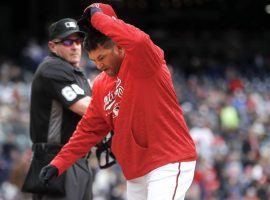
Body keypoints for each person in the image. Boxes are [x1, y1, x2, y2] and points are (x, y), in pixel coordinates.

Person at [39, 3, 197, 200]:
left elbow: (138, 40)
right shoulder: (101, 84)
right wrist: (58, 164)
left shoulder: (143, 61)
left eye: (102, 57)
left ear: (119, 47)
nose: (99, 65)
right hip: (136, 172)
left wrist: (98, 17)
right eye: (94, 60)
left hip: (168, 161)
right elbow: (88, 129)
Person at [25, 18, 93, 200]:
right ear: (53, 46)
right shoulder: (52, 68)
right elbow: (88, 109)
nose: (75, 46)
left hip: (77, 160)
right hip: (55, 160)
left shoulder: (77, 74)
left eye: (78, 41)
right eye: (68, 41)